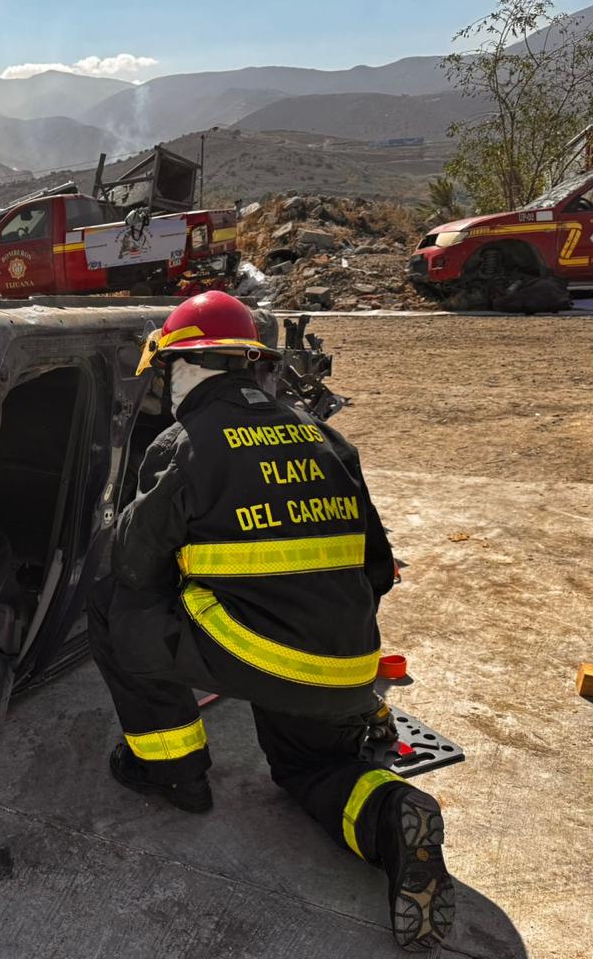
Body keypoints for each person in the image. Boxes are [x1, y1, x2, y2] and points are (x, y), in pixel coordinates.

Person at [89, 290, 455, 952]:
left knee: (114, 603)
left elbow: (135, 567)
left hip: (261, 653)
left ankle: (173, 770)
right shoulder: (327, 438)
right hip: (346, 663)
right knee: (309, 770)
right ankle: (391, 812)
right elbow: (377, 570)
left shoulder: (184, 443)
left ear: (186, 367)